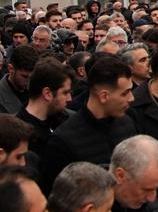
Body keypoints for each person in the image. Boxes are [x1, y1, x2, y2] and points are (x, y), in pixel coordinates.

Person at [41, 57, 136, 193]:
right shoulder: (63, 141)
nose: (131, 98)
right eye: (125, 93)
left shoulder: (127, 124)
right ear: (104, 96)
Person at [0, 43, 38, 114]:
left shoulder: (37, 92)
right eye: (25, 76)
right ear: (11, 69)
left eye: (32, 76)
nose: (29, 81)